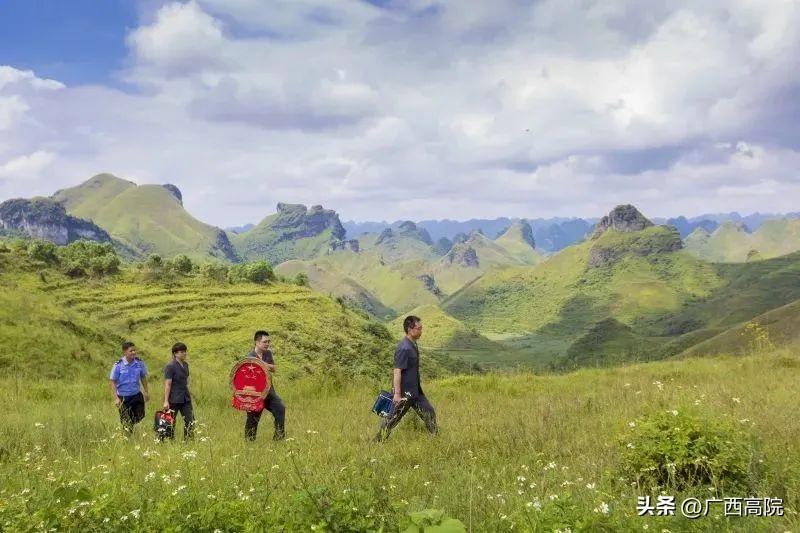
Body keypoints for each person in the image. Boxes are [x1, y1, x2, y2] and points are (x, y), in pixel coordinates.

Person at [375, 315, 438, 441]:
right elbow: (397, 371)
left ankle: (436, 438)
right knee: (392, 419)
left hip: (415, 391)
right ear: (410, 329)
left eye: (421, 328)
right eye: (419, 328)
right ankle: (377, 443)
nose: (421, 331)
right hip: (404, 393)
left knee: (429, 412)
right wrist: (397, 394)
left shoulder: (412, 344)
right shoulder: (404, 348)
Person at [244, 330, 286, 441]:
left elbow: (273, 368)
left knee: (280, 408)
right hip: (255, 395)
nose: (267, 344)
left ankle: (279, 439)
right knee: (252, 420)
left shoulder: (268, 353)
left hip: (269, 392)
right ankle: (249, 445)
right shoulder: (250, 357)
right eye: (265, 342)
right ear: (257, 342)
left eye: (268, 341)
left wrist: (262, 364)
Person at [109, 341, 149, 435]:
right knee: (126, 421)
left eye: (134, 350)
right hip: (123, 397)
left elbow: (143, 377)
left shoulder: (139, 363)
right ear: (124, 352)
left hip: (136, 395)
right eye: (131, 351)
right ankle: (126, 437)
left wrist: (146, 392)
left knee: (140, 415)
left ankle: (129, 426)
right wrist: (116, 398)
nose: (133, 353)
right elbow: (113, 382)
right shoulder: (118, 365)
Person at [163, 342, 195, 440]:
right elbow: (168, 384)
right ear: (175, 353)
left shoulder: (185, 365)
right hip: (174, 398)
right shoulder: (170, 366)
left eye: (185, 351)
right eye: (182, 352)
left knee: (190, 421)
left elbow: (185, 381)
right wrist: (166, 401)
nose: (184, 353)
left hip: (185, 397)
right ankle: (169, 441)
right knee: (170, 421)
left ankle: (188, 441)